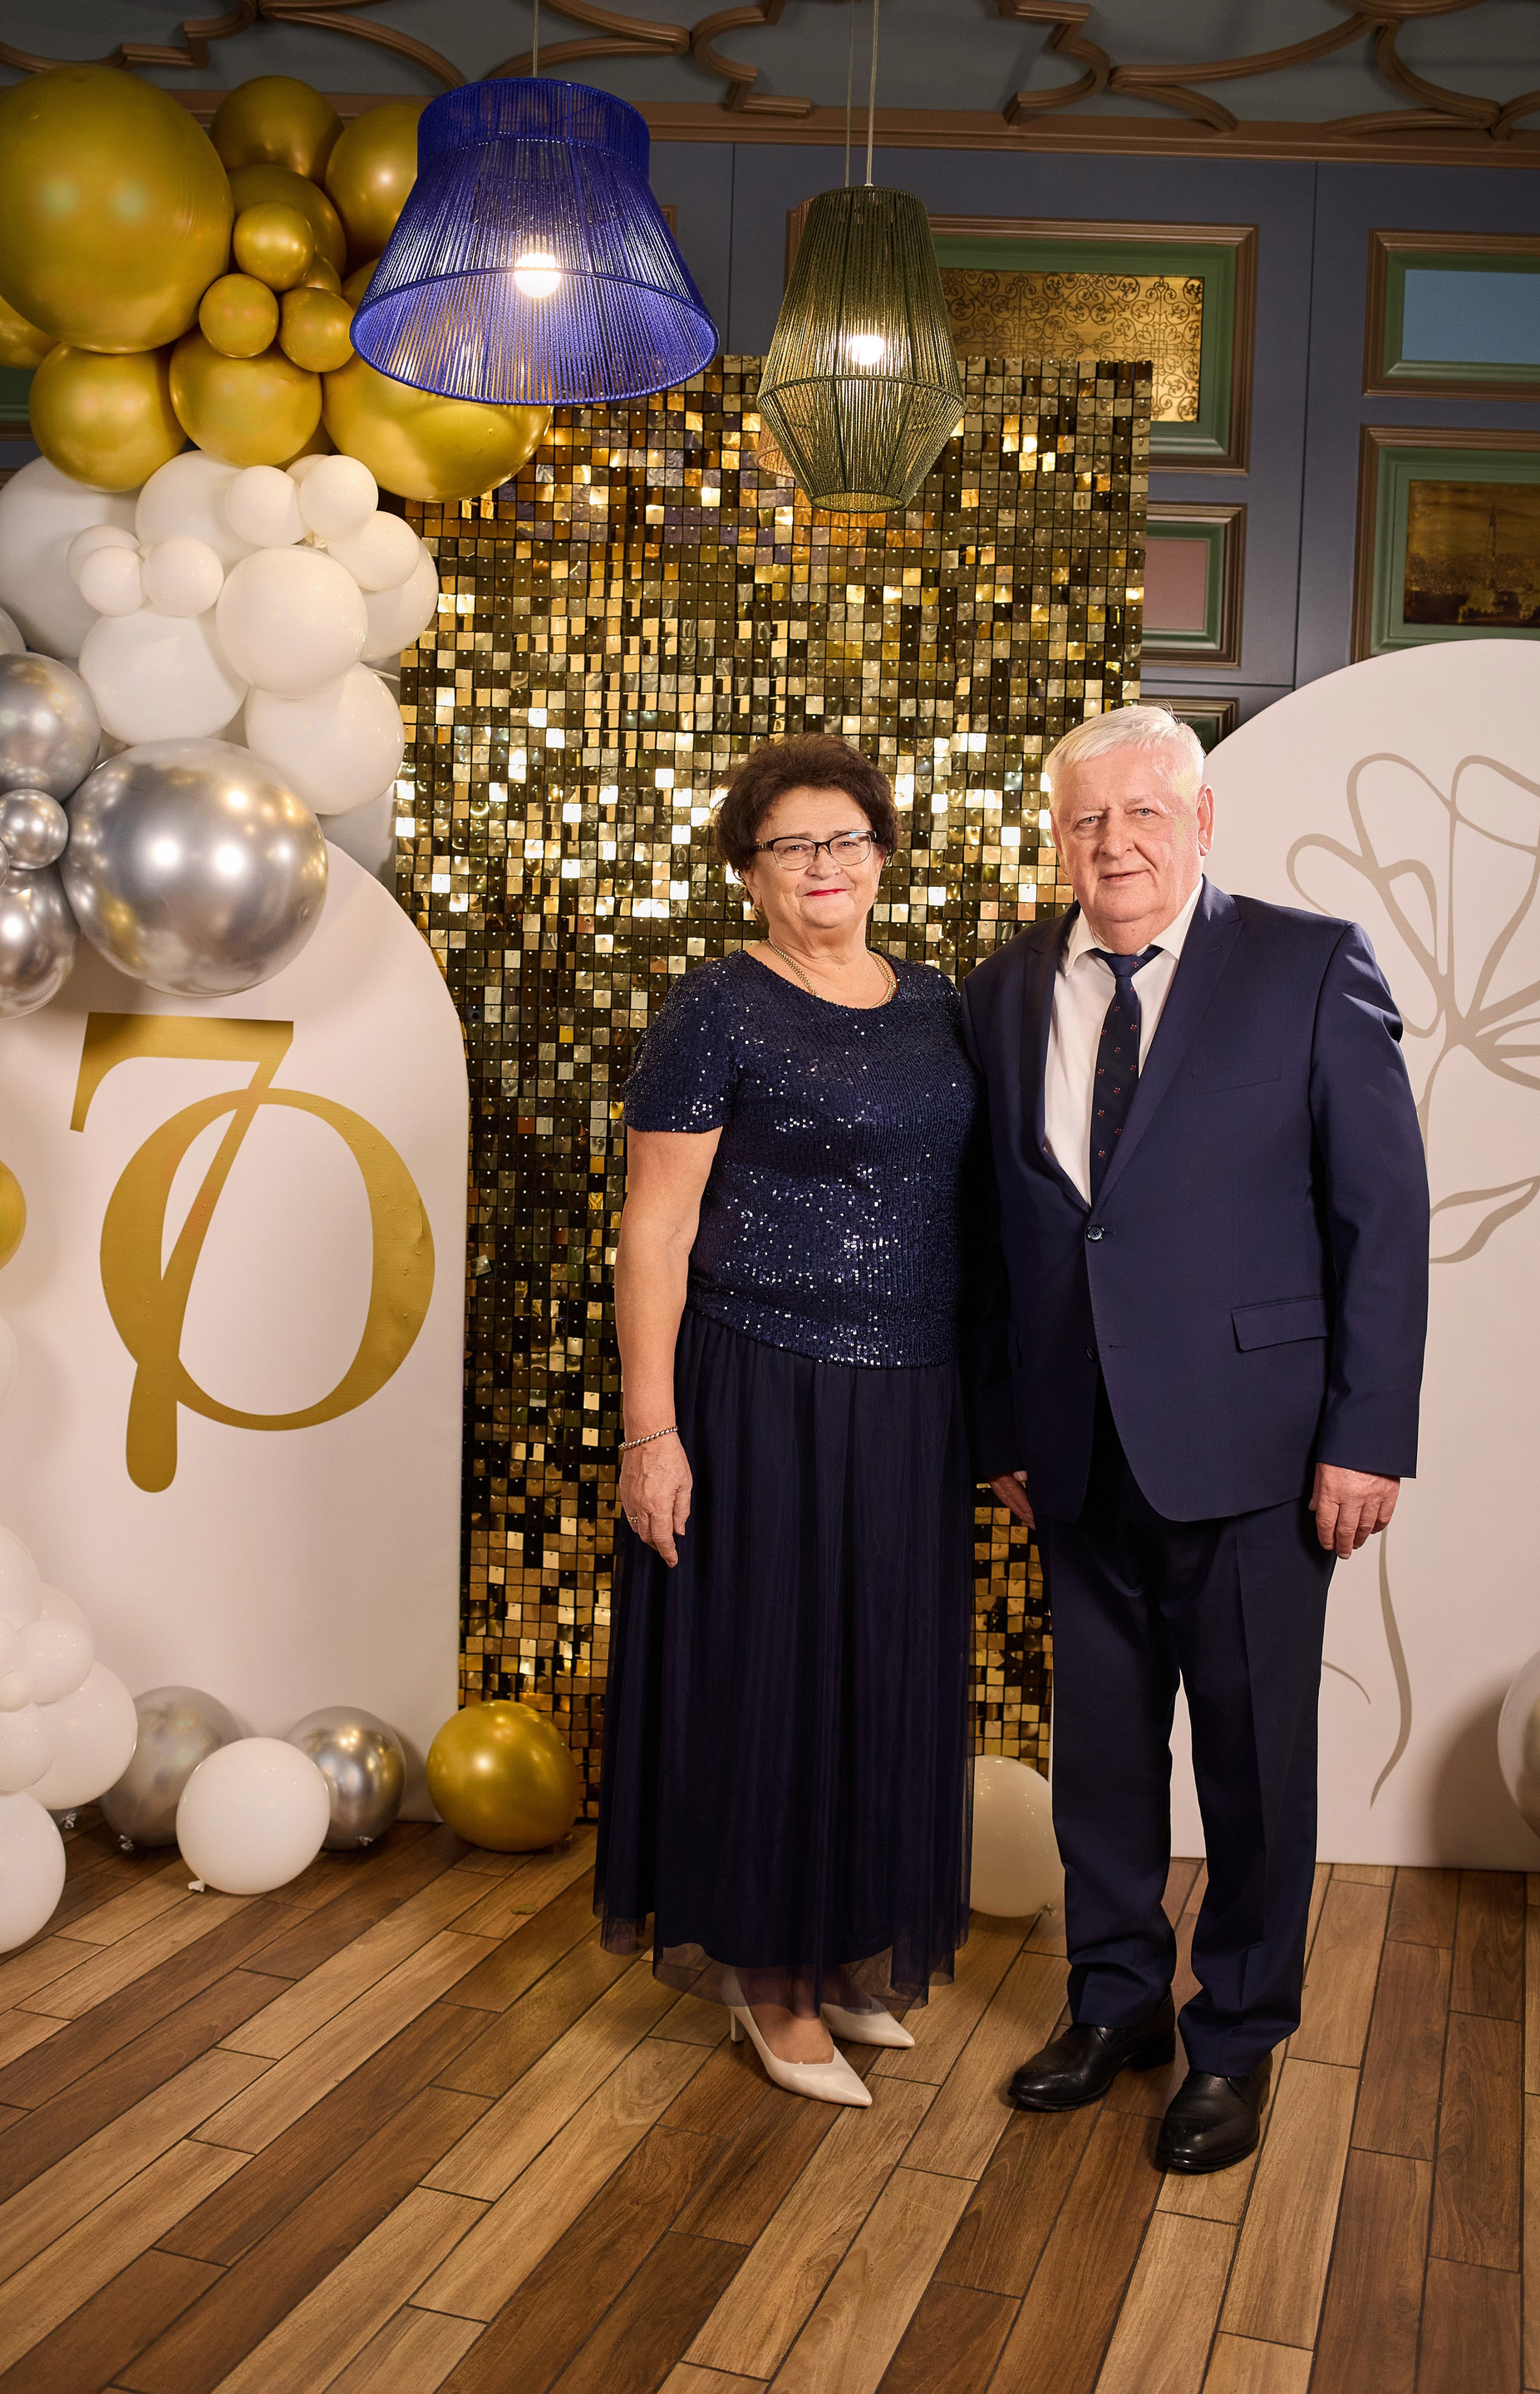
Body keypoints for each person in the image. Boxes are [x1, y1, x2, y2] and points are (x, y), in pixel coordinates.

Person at [962, 704, 1429, 2174]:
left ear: (1202, 823)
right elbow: (993, 1230)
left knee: (1252, 1764)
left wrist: (1368, 1436)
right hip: (1072, 1443)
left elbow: (1383, 1218)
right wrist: (1001, 1421)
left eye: (1145, 814)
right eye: (1087, 820)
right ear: (1057, 839)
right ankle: (1114, 2003)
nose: (1116, 845)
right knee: (1102, 1757)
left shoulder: (1308, 964)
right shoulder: (1000, 990)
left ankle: (1235, 2038)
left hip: (1259, 1450)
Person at [595, 732, 981, 2110]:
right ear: (749, 873)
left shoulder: (939, 1003)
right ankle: (768, 1979)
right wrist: (652, 1432)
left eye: (846, 839)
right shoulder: (718, 1004)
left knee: (878, 1673)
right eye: (791, 846)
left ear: (883, 854)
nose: (824, 866)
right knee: (770, 1677)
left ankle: (837, 1948)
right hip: (758, 1387)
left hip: (915, 1395)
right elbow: (654, 1229)